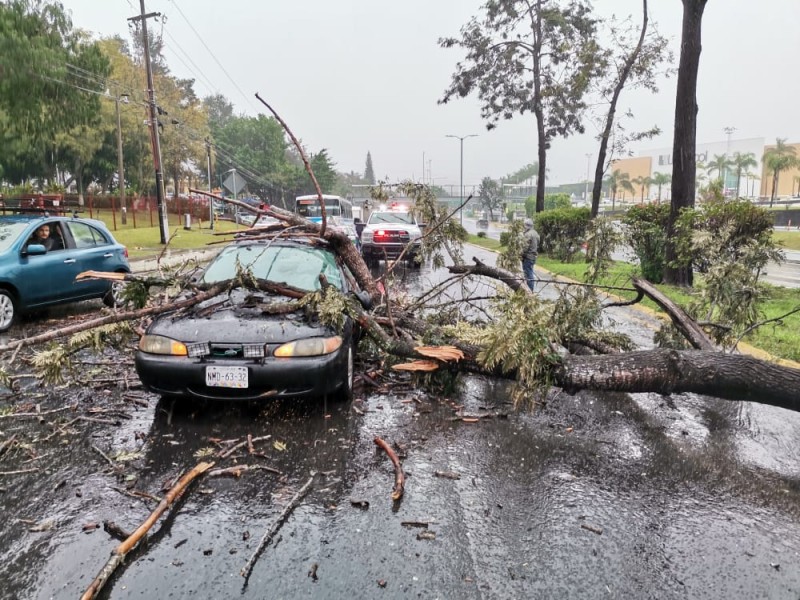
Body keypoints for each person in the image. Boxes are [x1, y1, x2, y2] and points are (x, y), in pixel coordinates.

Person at [521, 218, 539, 291]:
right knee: (530, 272)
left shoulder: (528, 234)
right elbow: (538, 243)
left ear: (526, 225)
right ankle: (529, 290)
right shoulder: (535, 233)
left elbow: (525, 247)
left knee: (528, 274)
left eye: (524, 225)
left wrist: (521, 254)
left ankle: (529, 291)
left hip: (528, 257)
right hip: (533, 256)